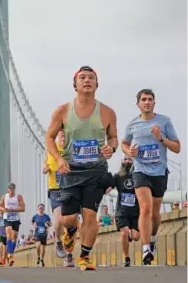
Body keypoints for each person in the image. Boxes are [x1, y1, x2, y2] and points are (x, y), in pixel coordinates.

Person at [45, 66, 118, 271]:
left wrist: (110, 147)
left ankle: (84, 256)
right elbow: (49, 138)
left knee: (90, 214)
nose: (87, 80)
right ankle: (69, 231)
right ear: (75, 84)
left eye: (91, 78)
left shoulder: (107, 112)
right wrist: (58, 158)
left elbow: (113, 138)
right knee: (69, 218)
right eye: (82, 78)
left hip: (96, 171)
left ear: (97, 84)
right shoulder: (62, 111)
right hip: (70, 170)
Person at [121, 89, 180, 265]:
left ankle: (153, 238)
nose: (147, 102)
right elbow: (124, 144)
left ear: (154, 103)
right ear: (138, 103)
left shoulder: (164, 121)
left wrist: (161, 138)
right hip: (140, 171)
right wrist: (128, 151)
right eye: (144, 99)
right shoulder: (132, 124)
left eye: (150, 99)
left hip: (159, 172)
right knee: (145, 208)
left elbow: (177, 148)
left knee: (155, 213)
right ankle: (146, 248)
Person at [42, 130, 70, 265]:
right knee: (59, 219)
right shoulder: (51, 150)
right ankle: (58, 241)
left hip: (70, 189)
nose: (63, 135)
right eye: (61, 133)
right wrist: (45, 168)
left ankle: (69, 254)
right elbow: (45, 165)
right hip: (56, 190)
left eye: (66, 132)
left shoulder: (71, 150)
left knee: (71, 223)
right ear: (57, 135)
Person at [111, 156, 140, 267]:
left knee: (136, 237)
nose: (127, 161)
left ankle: (130, 235)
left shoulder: (138, 176)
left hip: (135, 211)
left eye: (130, 160)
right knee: (124, 232)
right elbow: (108, 187)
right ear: (122, 161)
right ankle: (126, 257)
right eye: (125, 159)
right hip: (122, 210)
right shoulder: (118, 176)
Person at [0, 182, 25, 266]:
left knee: (15, 237)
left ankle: (10, 254)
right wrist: (4, 209)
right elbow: (0, 207)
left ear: (14, 189)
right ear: (8, 189)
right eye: (10, 188)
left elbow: (23, 208)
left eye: (13, 188)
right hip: (7, 219)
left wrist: (13, 210)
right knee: (9, 235)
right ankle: (9, 256)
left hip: (16, 219)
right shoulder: (4, 197)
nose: (11, 190)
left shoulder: (19, 197)